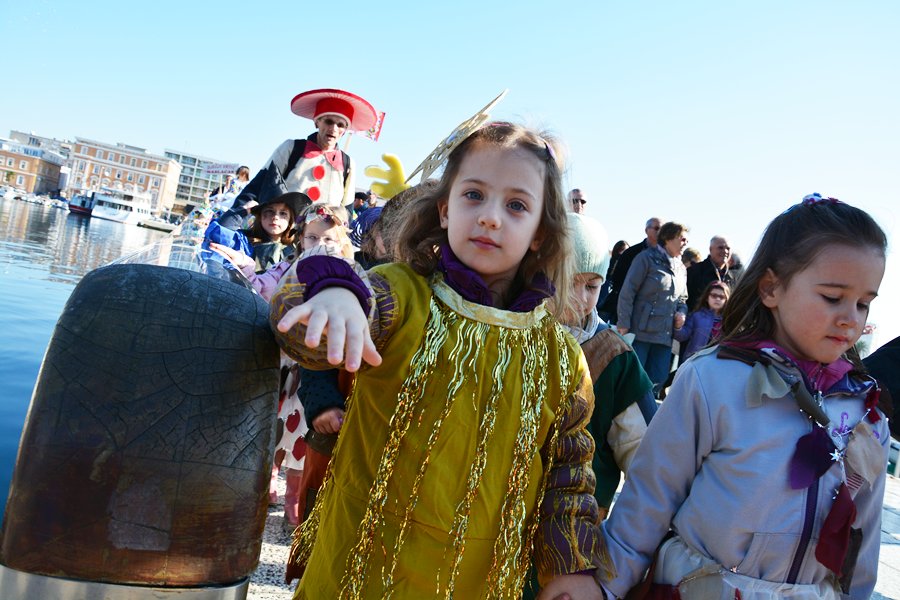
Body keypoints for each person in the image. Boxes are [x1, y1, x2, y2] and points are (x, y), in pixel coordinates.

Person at [270, 122, 610, 599]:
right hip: (358, 574)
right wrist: (334, 291)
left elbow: (568, 473)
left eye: (516, 205)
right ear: (446, 210)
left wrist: (572, 566)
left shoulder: (560, 358)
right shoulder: (401, 297)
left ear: (540, 232)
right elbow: (302, 326)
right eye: (474, 195)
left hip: (475, 583)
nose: (491, 217)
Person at [599, 194, 890, 600]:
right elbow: (649, 497)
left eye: (863, 303)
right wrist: (606, 587)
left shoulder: (865, 416)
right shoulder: (711, 379)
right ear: (771, 288)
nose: (850, 318)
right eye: (831, 297)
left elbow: (866, 538)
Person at [233, 88, 378, 212]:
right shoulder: (291, 148)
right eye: (328, 121)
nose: (334, 129)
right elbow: (259, 184)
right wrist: (233, 218)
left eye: (340, 125)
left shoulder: (348, 163)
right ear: (317, 122)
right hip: (285, 232)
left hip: (320, 239)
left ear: (345, 130)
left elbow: (346, 207)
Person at [616, 221, 689, 393]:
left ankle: (647, 420)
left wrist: (682, 314)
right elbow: (628, 291)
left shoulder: (681, 268)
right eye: (683, 239)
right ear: (669, 238)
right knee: (632, 382)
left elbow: (683, 299)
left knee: (656, 383)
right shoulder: (645, 258)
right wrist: (623, 322)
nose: (686, 243)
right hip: (640, 332)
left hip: (664, 337)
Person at [598, 217, 661, 324]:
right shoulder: (632, 252)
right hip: (622, 306)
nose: (660, 232)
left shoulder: (665, 257)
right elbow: (618, 278)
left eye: (663, 229)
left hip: (646, 313)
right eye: (657, 228)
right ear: (646, 230)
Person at [673, 280, 730, 361]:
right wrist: (678, 327)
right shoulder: (697, 316)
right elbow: (683, 336)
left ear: (726, 300)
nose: (717, 299)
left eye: (722, 297)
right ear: (707, 297)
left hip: (716, 362)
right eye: (714, 295)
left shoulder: (728, 320)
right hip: (694, 360)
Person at [686, 235, 735, 310]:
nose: (725, 251)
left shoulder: (734, 277)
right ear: (710, 249)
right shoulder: (694, 271)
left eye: (728, 248)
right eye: (720, 247)